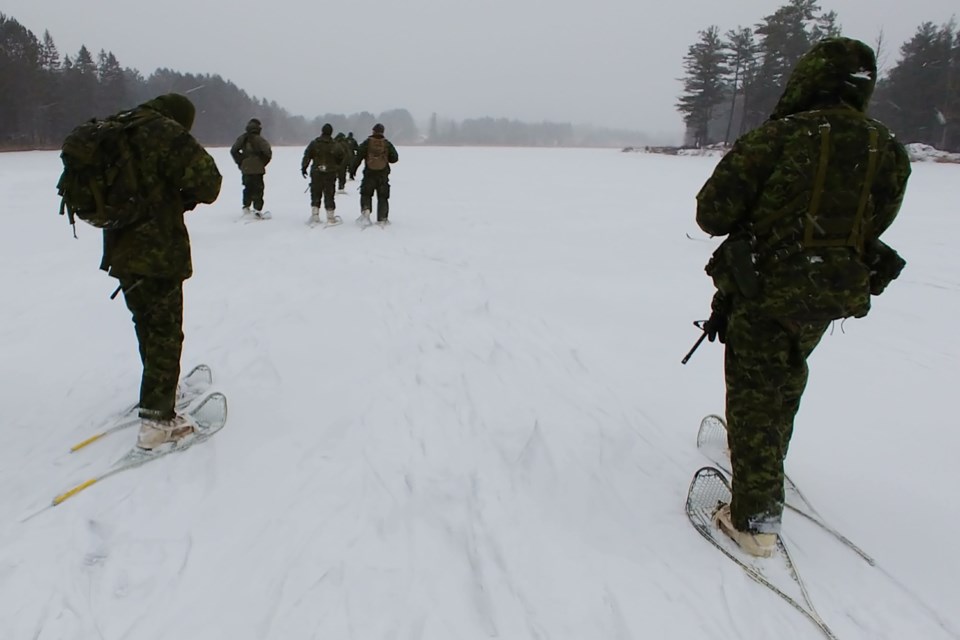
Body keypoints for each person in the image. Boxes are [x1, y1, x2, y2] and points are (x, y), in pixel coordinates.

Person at [695, 38, 911, 557]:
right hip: (829, 292)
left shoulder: (779, 137)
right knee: (786, 375)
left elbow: (712, 212)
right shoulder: (886, 146)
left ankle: (754, 519)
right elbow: (878, 218)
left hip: (765, 290)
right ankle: (762, 460)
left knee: (753, 391)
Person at [97, 93, 223, 450]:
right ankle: (157, 423)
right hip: (158, 250)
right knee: (166, 332)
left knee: (146, 324)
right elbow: (209, 183)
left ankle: (159, 391)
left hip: (120, 248)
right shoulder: (166, 133)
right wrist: (178, 196)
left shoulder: (119, 126)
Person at [352, 123, 399, 226]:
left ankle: (366, 212)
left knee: (366, 194)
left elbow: (358, 157)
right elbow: (395, 158)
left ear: (373, 131)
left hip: (369, 173)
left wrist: (353, 169)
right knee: (383, 197)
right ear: (383, 131)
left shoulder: (367, 143)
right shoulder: (387, 144)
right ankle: (382, 218)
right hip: (383, 174)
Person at [301, 123, 344, 225]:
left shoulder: (314, 143)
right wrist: (336, 166)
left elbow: (307, 155)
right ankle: (330, 217)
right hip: (330, 173)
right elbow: (341, 157)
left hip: (316, 172)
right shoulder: (336, 145)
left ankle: (315, 216)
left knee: (315, 193)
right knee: (329, 194)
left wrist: (304, 167)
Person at [230, 118, 272, 218]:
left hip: (246, 168)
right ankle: (257, 209)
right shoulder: (260, 140)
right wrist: (262, 163)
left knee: (247, 187)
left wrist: (241, 162)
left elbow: (233, 150)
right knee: (258, 189)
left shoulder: (243, 138)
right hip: (258, 169)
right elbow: (268, 153)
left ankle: (246, 207)